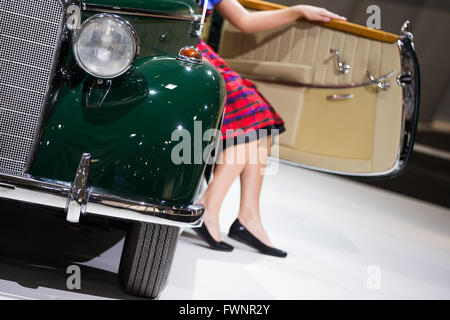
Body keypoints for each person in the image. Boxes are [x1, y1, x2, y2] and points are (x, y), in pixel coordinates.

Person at [194, 0, 346, 257]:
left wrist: (298, 10)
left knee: (259, 118)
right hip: (169, 48)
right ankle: (209, 207)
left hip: (196, 50)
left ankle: (248, 217)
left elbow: (246, 21)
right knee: (253, 113)